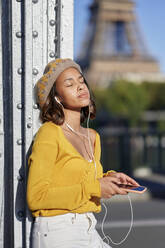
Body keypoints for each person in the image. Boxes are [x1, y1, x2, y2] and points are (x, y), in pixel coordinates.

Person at [26, 58, 139, 248]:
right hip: (57, 231)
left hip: (88, 227)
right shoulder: (50, 133)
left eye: (81, 81)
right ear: (57, 97)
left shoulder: (92, 136)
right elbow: (36, 197)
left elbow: (77, 179)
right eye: (69, 84)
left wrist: (109, 179)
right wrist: (96, 187)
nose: (80, 87)